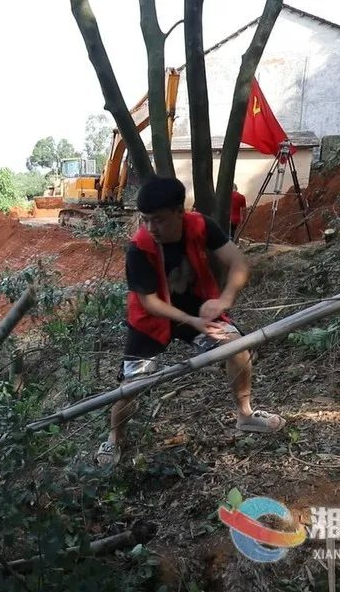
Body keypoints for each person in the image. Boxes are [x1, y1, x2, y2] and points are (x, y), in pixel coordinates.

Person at [95, 176, 285, 468]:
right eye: (145, 220)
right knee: (132, 384)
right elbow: (149, 302)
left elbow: (239, 263)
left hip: (198, 309)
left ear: (179, 212)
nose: (150, 228)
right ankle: (113, 438)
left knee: (238, 348)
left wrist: (224, 300)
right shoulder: (139, 247)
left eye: (158, 220)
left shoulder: (201, 226)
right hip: (151, 319)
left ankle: (245, 415)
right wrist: (190, 321)